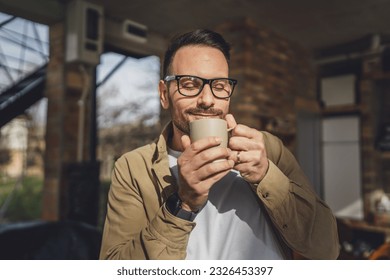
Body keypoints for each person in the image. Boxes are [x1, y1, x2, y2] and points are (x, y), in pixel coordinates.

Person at [99, 29, 339, 260]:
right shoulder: (132, 168)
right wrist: (182, 204)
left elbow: (326, 249)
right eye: (190, 84)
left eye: (219, 86)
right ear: (164, 94)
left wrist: (266, 175)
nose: (207, 100)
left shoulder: (269, 149)